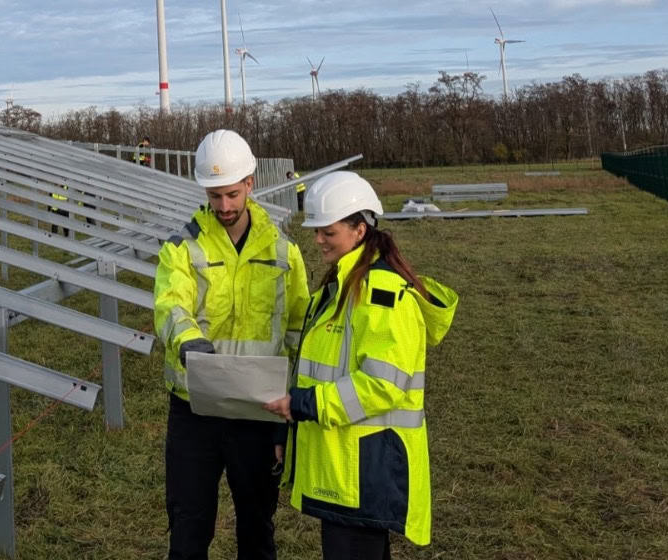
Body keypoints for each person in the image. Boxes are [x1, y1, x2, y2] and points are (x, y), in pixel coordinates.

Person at [263, 171, 458, 559]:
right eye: (316, 230)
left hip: (365, 469)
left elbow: (383, 384)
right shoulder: (341, 286)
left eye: (327, 232)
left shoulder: (381, 295)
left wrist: (306, 404)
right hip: (343, 468)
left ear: (359, 230)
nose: (317, 240)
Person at [154, 129, 311, 560]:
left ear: (250, 184)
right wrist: (191, 344)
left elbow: (298, 330)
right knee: (188, 529)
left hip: (258, 411)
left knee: (257, 529)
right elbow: (170, 306)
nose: (224, 206)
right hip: (194, 408)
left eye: (231, 195)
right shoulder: (182, 248)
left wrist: (290, 411)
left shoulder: (283, 251)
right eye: (215, 196)